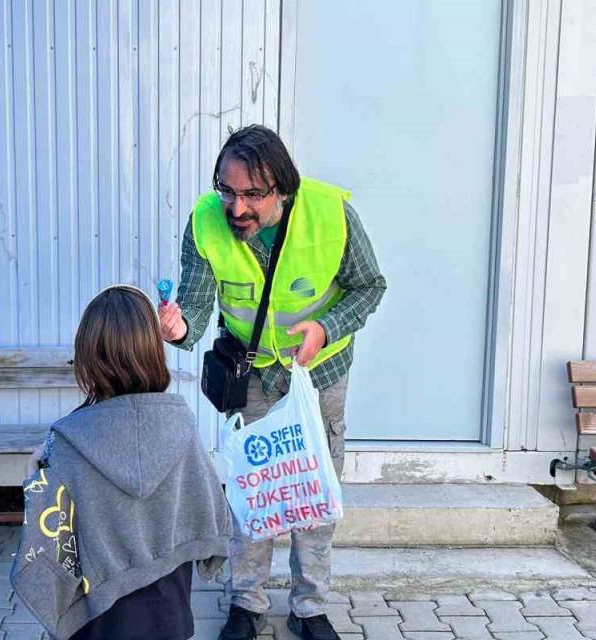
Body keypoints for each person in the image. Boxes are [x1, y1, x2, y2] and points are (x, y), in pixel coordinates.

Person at [158, 125, 387, 640]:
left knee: (313, 491)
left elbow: (370, 287)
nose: (236, 208)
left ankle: (310, 608)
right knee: (252, 491)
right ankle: (246, 602)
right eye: (227, 190)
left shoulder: (332, 215)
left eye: (251, 195)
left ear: (282, 189)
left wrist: (326, 326)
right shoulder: (204, 222)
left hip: (319, 374)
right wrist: (181, 327)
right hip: (253, 374)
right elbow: (195, 303)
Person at [11, 285, 234, 640]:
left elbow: (45, 548)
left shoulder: (65, 441)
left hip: (97, 622)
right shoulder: (183, 426)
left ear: (87, 355)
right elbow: (210, 512)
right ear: (152, 351)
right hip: (170, 619)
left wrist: (31, 473)